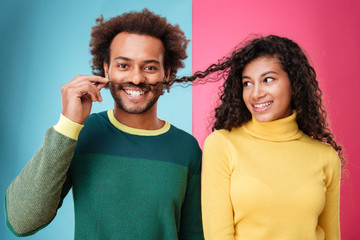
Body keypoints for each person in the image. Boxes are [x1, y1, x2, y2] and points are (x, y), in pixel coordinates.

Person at [5, 9, 204, 240]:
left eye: (149, 67)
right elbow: (21, 221)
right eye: (123, 66)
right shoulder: (81, 134)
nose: (137, 78)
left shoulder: (186, 149)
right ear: (106, 69)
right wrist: (67, 125)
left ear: (166, 73)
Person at [184, 35, 345, 239]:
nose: (256, 93)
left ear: (294, 84)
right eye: (247, 83)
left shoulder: (325, 156)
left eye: (268, 80)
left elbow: (331, 234)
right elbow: (218, 234)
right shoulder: (222, 145)